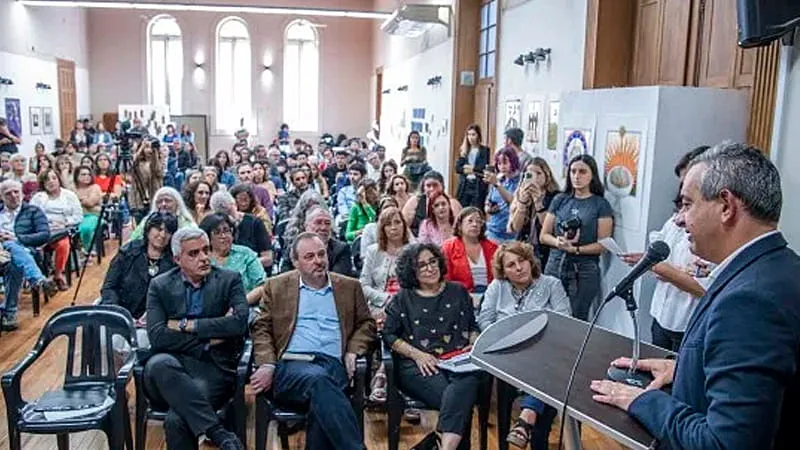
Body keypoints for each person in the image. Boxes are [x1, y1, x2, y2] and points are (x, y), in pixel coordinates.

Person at [590, 143, 800, 450]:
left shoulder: (749, 302)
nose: (678, 220)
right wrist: (686, 369)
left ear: (726, 206)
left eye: (687, 204)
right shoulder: (781, 267)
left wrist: (645, 401)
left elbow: (725, 443)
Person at [249, 231, 376, 449]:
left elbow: (367, 324)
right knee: (320, 382)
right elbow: (261, 328)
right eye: (309, 257)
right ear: (295, 262)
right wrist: (267, 364)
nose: (318, 261)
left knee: (322, 398)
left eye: (321, 254)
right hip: (291, 365)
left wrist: (353, 350)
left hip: (334, 364)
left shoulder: (349, 286)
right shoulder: (276, 286)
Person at [144, 227, 248, 450]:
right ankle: (218, 432)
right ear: (177, 259)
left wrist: (186, 325)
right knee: (159, 363)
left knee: (176, 421)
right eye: (193, 253)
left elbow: (239, 324)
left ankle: (216, 434)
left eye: (206, 250)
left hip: (211, 368)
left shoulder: (229, 280)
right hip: (168, 370)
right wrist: (208, 341)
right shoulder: (160, 285)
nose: (203, 258)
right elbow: (157, 336)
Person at [382, 243, 483, 450]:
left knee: (467, 383)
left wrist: (473, 342)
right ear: (411, 271)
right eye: (421, 265)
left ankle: (440, 444)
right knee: (457, 400)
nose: (430, 268)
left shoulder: (458, 291)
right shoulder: (402, 298)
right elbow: (388, 335)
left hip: (459, 361)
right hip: (418, 364)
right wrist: (417, 355)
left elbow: (473, 326)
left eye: (432, 261)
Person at [477, 241, 569, 449]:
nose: (519, 268)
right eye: (511, 265)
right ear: (503, 271)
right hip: (508, 354)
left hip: (544, 350)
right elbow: (485, 320)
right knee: (549, 376)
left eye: (522, 260)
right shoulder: (497, 287)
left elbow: (565, 322)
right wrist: (505, 341)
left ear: (530, 261)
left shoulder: (551, 285)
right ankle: (528, 417)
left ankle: (527, 418)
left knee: (551, 366)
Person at [620, 146, 711, 351]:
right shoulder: (676, 218)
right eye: (682, 183)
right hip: (662, 314)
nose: (684, 189)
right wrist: (648, 259)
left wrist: (657, 266)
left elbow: (703, 287)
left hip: (687, 322)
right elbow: (661, 249)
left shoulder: (711, 232)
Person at [539, 155, 613, 320]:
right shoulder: (560, 199)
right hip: (556, 263)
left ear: (592, 175)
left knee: (577, 317)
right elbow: (544, 235)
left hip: (584, 269)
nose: (576, 176)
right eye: (573, 171)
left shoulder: (600, 204)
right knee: (550, 313)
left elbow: (603, 245)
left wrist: (576, 249)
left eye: (582, 172)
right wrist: (558, 242)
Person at [101, 212, 178, 348]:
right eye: (158, 229)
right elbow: (109, 287)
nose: (162, 235)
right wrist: (121, 314)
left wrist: (155, 314)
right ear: (148, 229)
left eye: (168, 232)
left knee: (142, 343)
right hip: (122, 313)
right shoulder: (127, 252)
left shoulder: (175, 260)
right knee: (112, 342)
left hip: (156, 321)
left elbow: (176, 296)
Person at [0, 180, 58, 330]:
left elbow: (44, 235)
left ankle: (9, 313)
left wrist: (17, 238)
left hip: (22, 251)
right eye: (8, 193)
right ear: (2, 196)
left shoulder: (33, 211)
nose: (13, 196)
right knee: (10, 248)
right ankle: (38, 279)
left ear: (22, 193)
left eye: (16, 192)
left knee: (14, 262)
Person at [30, 169, 84, 290]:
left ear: (59, 180)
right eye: (47, 179)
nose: (51, 181)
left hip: (62, 229)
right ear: (43, 183)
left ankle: (58, 275)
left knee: (63, 244)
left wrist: (64, 223)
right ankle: (38, 277)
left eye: (54, 178)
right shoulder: (38, 197)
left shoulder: (69, 195)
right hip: (43, 229)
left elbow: (79, 216)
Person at [509, 157, 560, 268]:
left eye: (538, 173)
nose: (535, 178)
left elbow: (551, 229)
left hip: (545, 251)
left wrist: (538, 203)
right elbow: (515, 227)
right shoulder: (520, 193)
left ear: (547, 176)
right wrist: (522, 203)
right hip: (524, 248)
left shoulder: (555, 197)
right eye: (530, 174)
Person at [199, 213, 266, 294]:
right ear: (208, 237)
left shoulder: (245, 253)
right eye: (217, 232)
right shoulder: (203, 258)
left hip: (247, 300)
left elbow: (261, 285)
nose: (223, 236)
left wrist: (242, 301)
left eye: (226, 230)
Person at [280, 206, 355, 277]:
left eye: (327, 223)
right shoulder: (294, 247)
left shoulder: (341, 249)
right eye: (318, 222)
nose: (323, 227)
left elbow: (338, 279)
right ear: (306, 226)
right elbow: (286, 278)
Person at [442, 207, 498, 295]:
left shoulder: (493, 247)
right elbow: (446, 278)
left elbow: (498, 277)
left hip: (490, 294)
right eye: (470, 221)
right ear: (460, 225)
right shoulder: (448, 247)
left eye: (478, 221)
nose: (475, 224)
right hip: (461, 295)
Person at [402, 170, 462, 236]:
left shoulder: (452, 202)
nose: (431, 189)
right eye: (428, 186)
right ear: (423, 187)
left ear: (442, 186)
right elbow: (404, 226)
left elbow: (458, 227)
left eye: (435, 185)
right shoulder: (415, 201)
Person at [129, 186, 195, 241]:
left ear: (177, 203)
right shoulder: (146, 222)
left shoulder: (187, 224)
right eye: (159, 201)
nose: (163, 204)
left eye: (168, 201)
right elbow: (133, 240)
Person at [484, 147, 521, 244]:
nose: (502, 167)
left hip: (511, 234)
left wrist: (497, 184)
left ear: (513, 162)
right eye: (499, 163)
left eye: (505, 163)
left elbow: (513, 201)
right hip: (493, 230)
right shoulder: (500, 179)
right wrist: (488, 208)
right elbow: (488, 200)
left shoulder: (520, 181)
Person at [129, 139, 165, 225]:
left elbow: (158, 171)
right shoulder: (138, 163)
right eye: (147, 147)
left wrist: (155, 154)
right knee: (140, 224)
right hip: (139, 199)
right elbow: (131, 164)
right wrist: (141, 147)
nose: (149, 150)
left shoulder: (159, 161)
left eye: (151, 147)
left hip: (154, 197)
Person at [455, 124, 491, 209]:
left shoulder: (484, 150)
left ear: (478, 135)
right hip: (465, 184)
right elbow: (458, 168)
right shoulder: (464, 150)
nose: (470, 137)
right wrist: (467, 170)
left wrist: (472, 169)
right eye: (469, 134)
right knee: (462, 209)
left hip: (478, 185)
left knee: (476, 209)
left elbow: (483, 168)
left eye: (473, 134)